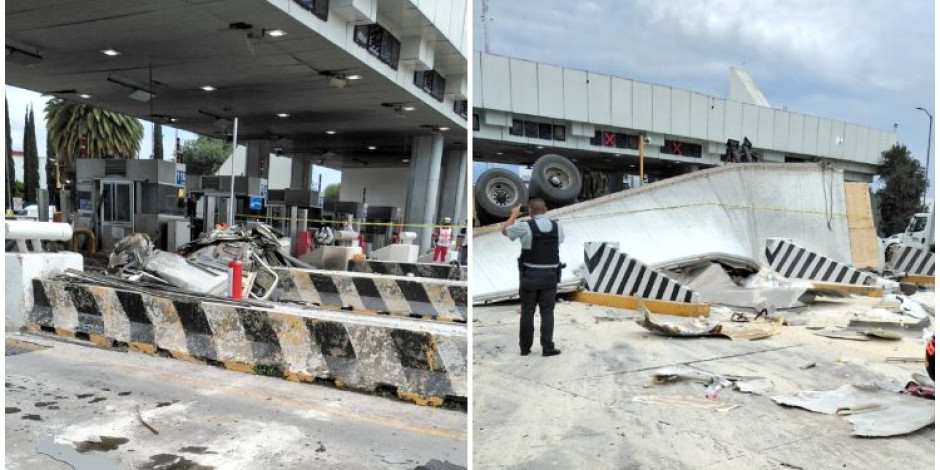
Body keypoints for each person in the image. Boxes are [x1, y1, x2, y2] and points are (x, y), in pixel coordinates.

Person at [501, 198, 563, 357]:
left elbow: (505, 231)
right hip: (550, 276)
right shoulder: (557, 226)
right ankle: (548, 347)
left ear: (529, 211)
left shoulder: (524, 225)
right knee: (547, 312)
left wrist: (513, 216)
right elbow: (559, 242)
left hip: (530, 276)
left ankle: (525, 348)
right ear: (546, 209)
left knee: (527, 311)